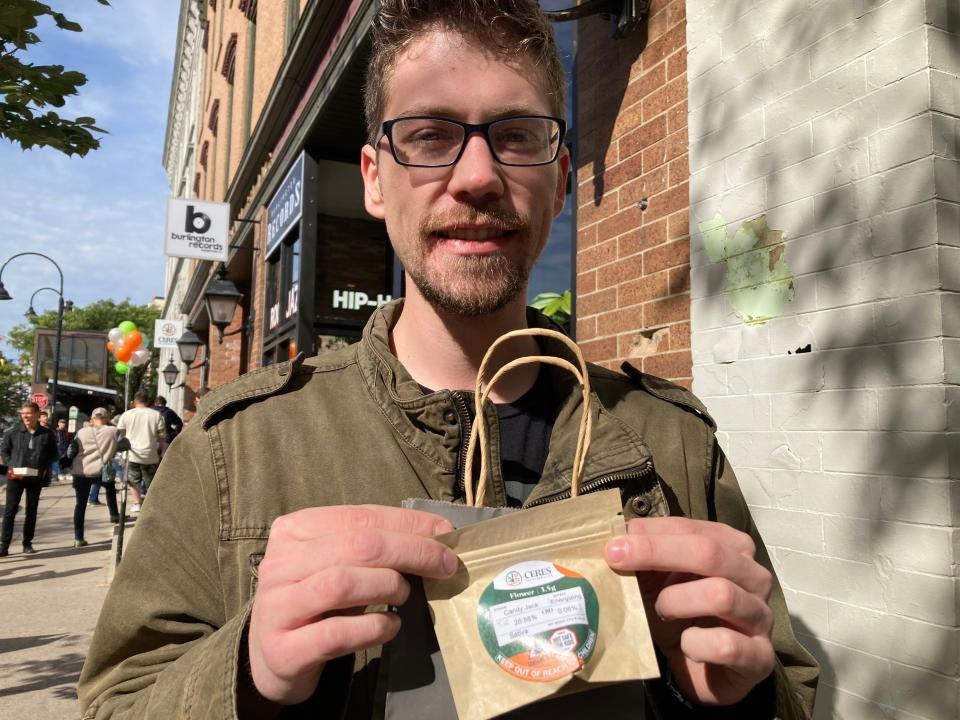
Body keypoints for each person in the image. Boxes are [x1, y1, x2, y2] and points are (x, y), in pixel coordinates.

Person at [78, 2, 819, 718]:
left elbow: (794, 687)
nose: (475, 176)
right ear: (373, 177)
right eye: (430, 135)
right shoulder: (235, 449)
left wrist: (738, 701)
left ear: (561, 181)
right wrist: (248, 672)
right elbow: (119, 699)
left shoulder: (675, 443)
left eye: (518, 135)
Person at [0, 402, 58, 556]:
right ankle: (4, 545)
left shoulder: (47, 434)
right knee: (10, 511)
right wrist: (11, 466)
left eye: (28, 413)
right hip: (15, 476)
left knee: (31, 511)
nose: (25, 416)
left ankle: (27, 543)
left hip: (35, 477)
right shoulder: (12, 433)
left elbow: (53, 454)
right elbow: (4, 452)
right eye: (23, 413)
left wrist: (43, 466)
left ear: (37, 415)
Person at [67, 408, 122, 545]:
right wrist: (111, 449)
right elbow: (125, 445)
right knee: (110, 489)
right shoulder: (113, 431)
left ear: (92, 419)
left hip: (82, 471)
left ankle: (78, 538)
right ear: (106, 418)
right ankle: (114, 515)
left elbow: (71, 450)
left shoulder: (81, 432)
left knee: (80, 505)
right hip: (101, 469)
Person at [115, 391, 165, 512]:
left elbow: (120, 432)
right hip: (150, 454)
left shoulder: (127, 415)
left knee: (133, 480)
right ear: (147, 401)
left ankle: (137, 502)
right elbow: (162, 436)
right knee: (151, 481)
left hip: (132, 454)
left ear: (134, 401)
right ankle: (151, 505)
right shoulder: (156, 415)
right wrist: (160, 450)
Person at [54, 417, 70, 481]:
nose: (63, 424)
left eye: (64, 423)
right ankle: (59, 474)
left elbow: (67, 440)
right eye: (61, 423)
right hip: (58, 448)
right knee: (58, 462)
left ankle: (64, 474)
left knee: (64, 461)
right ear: (58, 424)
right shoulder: (56, 431)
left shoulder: (65, 431)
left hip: (65, 448)